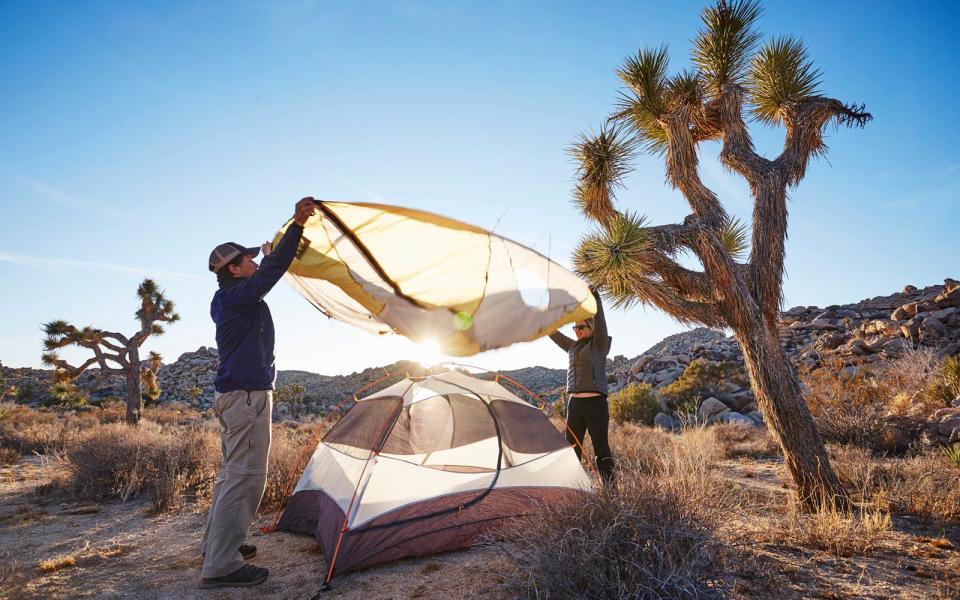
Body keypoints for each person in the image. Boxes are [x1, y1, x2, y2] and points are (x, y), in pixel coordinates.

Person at [199, 197, 317, 589]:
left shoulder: (232, 298)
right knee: (246, 477)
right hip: (246, 399)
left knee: (232, 475)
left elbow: (265, 273)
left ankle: (217, 546)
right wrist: (297, 226)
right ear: (233, 269)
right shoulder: (236, 297)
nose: (253, 261)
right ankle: (221, 565)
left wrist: (270, 255)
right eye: (246, 259)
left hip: (239, 398)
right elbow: (270, 274)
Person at [549, 286, 615, 483]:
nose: (577, 331)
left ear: (591, 328)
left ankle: (611, 493)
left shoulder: (599, 344)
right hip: (574, 405)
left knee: (601, 449)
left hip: (595, 405)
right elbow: (555, 335)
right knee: (571, 450)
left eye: (581, 327)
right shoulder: (573, 346)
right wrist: (543, 323)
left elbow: (601, 322)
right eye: (574, 328)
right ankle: (573, 490)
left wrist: (596, 297)